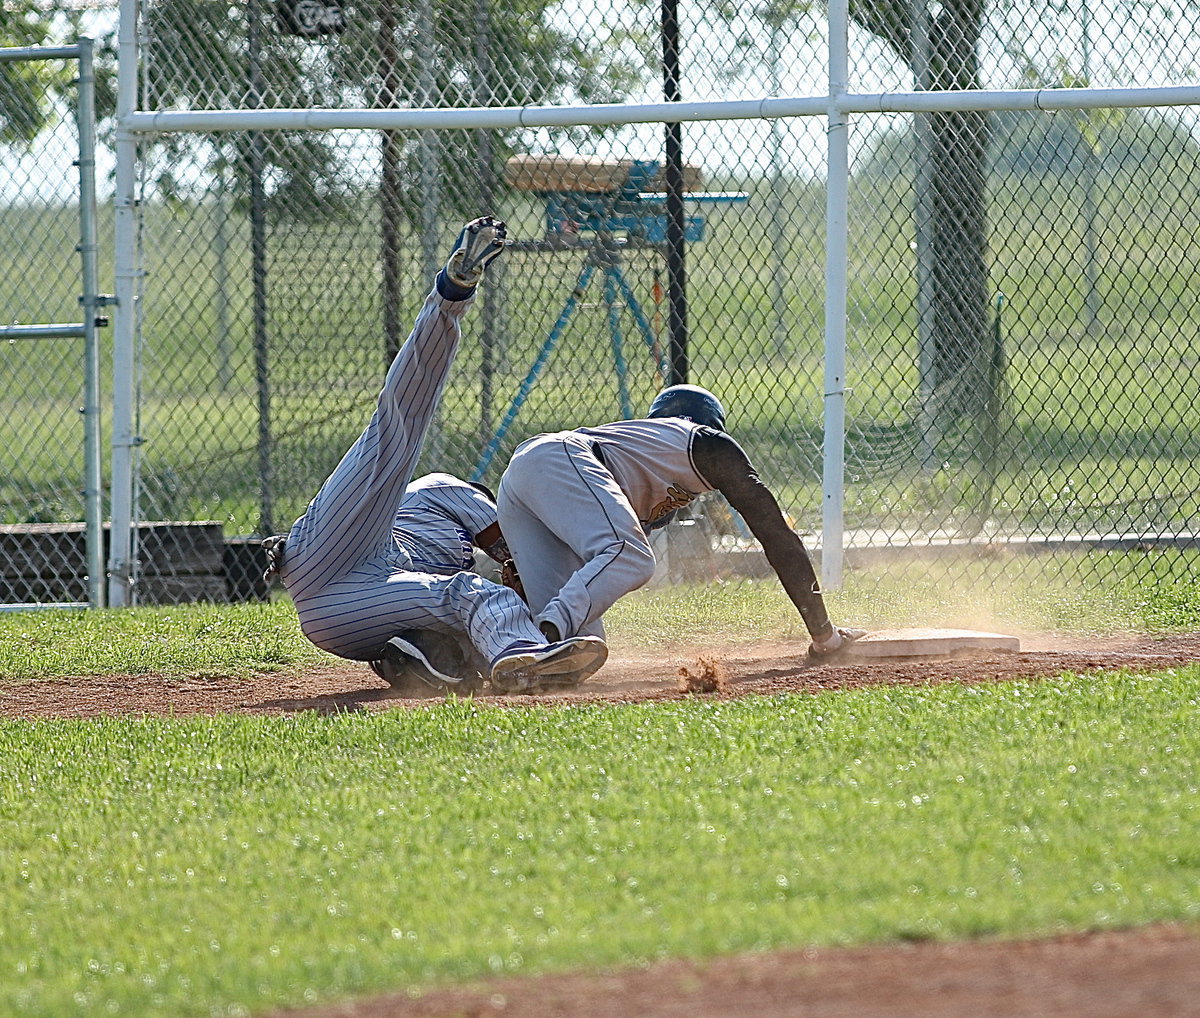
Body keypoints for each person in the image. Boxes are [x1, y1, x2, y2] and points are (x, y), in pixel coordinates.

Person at [266, 217, 608, 695]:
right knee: (392, 437)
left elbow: (503, 581)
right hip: (342, 547)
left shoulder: (457, 572)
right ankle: (450, 296)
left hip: (349, 613)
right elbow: (521, 554)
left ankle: (478, 661)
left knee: (466, 600)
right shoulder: (444, 491)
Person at [496, 383, 866, 660]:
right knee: (632, 557)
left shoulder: (646, 456)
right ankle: (548, 630)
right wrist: (824, 635)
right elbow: (776, 535)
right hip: (561, 457)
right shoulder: (708, 445)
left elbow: (594, 566)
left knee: (578, 651)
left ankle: (515, 648)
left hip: (522, 476)